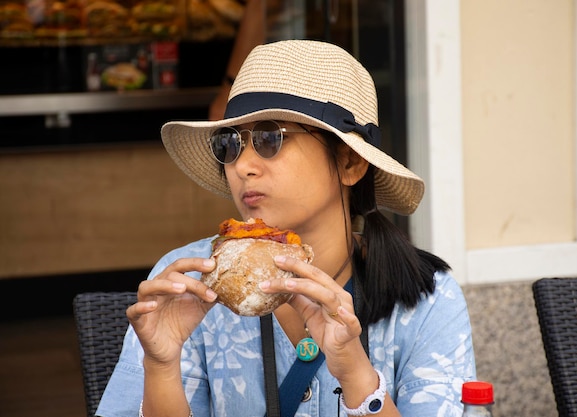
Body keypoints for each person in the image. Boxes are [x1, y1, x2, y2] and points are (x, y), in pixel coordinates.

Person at [97, 39, 476, 417]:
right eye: (230, 143)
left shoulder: (427, 297)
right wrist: (161, 368)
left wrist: (357, 374)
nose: (242, 166)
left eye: (268, 138)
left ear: (349, 163)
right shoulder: (191, 280)